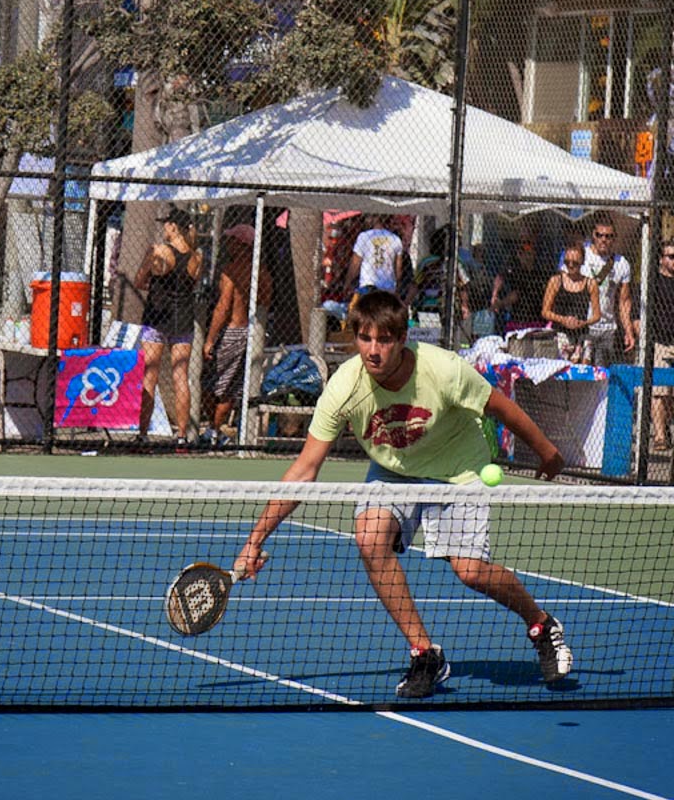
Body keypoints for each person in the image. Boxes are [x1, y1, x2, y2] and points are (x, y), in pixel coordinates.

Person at [232, 290, 572, 699]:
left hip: (456, 469)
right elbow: (304, 469)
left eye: (384, 340)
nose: (373, 351)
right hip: (394, 471)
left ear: (402, 338)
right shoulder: (343, 388)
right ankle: (425, 653)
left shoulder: (443, 370)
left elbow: (500, 407)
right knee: (370, 538)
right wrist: (255, 540)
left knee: (471, 572)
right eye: (365, 339)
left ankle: (540, 623)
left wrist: (547, 452)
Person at [135, 206, 203, 446]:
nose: (163, 227)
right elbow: (191, 286)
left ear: (174, 227)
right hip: (183, 318)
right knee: (180, 377)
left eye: (166, 224)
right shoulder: (196, 257)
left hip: (157, 316)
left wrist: (150, 264)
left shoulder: (160, 251)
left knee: (149, 375)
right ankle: (182, 436)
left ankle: (142, 435)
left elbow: (139, 280)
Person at [202, 224, 272, 448]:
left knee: (212, 385)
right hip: (249, 333)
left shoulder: (230, 271)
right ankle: (214, 430)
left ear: (242, 245)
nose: (228, 245)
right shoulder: (261, 273)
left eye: (232, 241)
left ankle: (212, 430)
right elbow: (265, 302)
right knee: (230, 387)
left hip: (231, 331)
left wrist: (210, 338)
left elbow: (223, 306)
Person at [579, 212, 634, 365]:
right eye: (599, 235)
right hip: (584, 324)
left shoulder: (621, 263)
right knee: (582, 370)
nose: (603, 240)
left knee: (602, 373)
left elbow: (624, 301)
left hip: (608, 327)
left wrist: (628, 331)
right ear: (593, 235)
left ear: (614, 238)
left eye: (608, 236)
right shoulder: (581, 255)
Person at [541, 240, 600, 364]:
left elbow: (597, 315)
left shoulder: (590, 284)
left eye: (575, 263)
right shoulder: (556, 281)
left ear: (582, 262)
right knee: (563, 365)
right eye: (567, 262)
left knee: (584, 363)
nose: (571, 266)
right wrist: (563, 320)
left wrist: (583, 323)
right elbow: (545, 311)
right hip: (561, 331)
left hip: (582, 331)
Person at [490, 239, 547, 333]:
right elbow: (500, 277)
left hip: (536, 319)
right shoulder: (515, 268)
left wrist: (501, 304)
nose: (523, 256)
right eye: (521, 253)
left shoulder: (539, 271)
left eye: (527, 253)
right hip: (517, 318)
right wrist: (495, 294)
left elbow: (516, 295)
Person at [650, 239, 674, 451]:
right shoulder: (654, 282)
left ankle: (666, 426)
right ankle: (659, 435)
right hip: (660, 340)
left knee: (671, 395)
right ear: (661, 259)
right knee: (659, 391)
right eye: (671, 257)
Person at [345, 214, 404, 297]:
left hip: (368, 285)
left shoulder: (364, 236)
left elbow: (355, 264)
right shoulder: (396, 239)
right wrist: (397, 286)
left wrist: (347, 283)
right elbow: (398, 268)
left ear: (375, 218)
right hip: (388, 288)